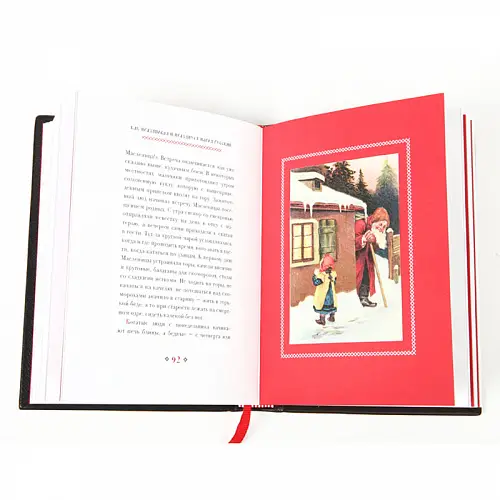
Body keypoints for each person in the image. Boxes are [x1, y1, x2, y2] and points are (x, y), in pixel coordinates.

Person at [354, 207, 390, 307]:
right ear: (375, 220)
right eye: (380, 224)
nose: (381, 228)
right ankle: (356, 300)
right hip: (357, 259)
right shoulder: (361, 224)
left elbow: (374, 247)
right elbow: (352, 241)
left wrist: (374, 241)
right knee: (359, 277)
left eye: (384, 227)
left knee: (366, 278)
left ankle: (364, 298)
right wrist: (363, 239)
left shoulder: (374, 230)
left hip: (367, 259)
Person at [312, 253, 337, 325]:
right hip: (331, 295)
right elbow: (334, 282)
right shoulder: (333, 273)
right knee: (332, 306)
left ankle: (322, 320)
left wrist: (315, 275)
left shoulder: (322, 275)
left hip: (324, 296)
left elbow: (316, 283)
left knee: (322, 307)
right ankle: (332, 317)